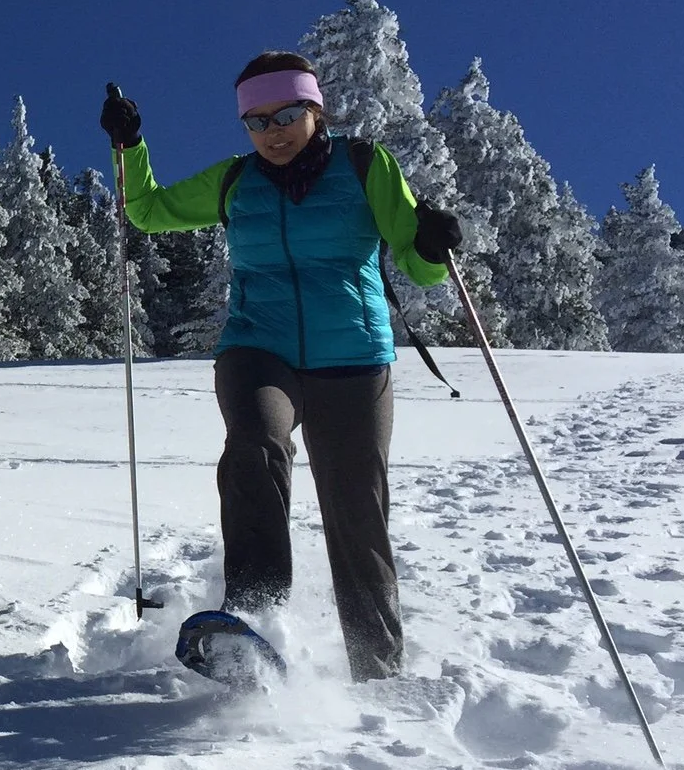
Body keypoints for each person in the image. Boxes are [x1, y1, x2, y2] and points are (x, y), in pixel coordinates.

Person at [98, 52, 461, 681]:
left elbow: (418, 259)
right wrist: (130, 146)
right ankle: (252, 619)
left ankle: (377, 670)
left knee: (357, 506)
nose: (274, 131)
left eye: (287, 114)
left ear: (314, 110)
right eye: (257, 121)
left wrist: (432, 243)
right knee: (254, 448)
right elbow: (148, 211)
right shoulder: (236, 181)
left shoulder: (365, 165)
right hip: (257, 347)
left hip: (353, 356)